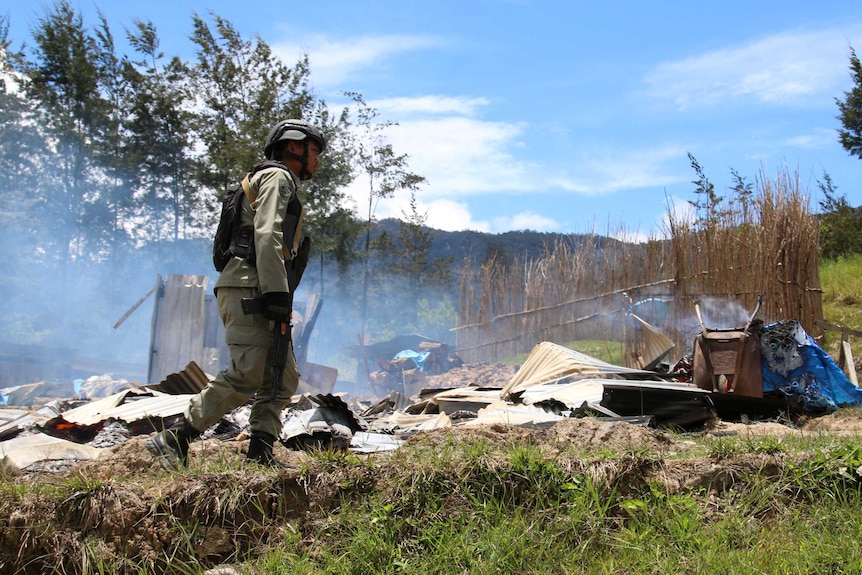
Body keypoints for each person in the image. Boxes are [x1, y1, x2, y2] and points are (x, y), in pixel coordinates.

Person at [146, 118, 325, 470]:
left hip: (258, 286)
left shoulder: (275, 180)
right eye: (315, 151)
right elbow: (268, 233)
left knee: (281, 376)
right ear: (294, 147)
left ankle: (260, 453)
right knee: (248, 373)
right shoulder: (277, 177)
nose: (318, 160)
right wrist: (276, 293)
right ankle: (174, 437)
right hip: (252, 287)